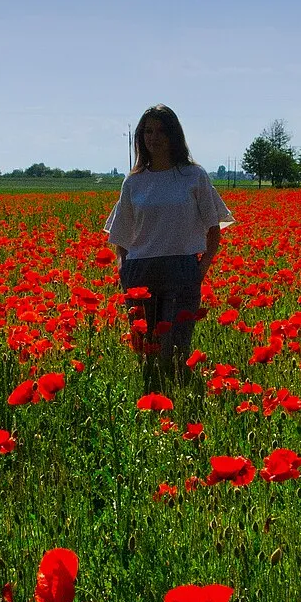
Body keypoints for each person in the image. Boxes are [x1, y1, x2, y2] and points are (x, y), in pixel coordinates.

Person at [104, 105, 234, 392]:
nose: (154, 137)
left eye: (162, 130)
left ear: (175, 135)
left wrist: (200, 269)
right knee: (146, 348)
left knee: (176, 348)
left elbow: (214, 228)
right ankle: (151, 401)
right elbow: (120, 235)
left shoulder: (193, 176)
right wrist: (124, 269)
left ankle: (179, 403)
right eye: (148, 131)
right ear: (140, 137)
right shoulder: (134, 181)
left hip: (182, 270)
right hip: (140, 274)